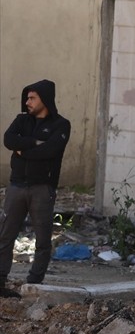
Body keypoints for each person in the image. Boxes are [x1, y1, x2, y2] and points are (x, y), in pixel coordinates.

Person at [1, 80, 72, 296]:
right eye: (27, 98)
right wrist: (35, 143)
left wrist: (22, 149)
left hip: (42, 189)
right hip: (16, 186)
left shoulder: (61, 125)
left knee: (42, 239)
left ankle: (34, 283)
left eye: (32, 98)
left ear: (45, 99)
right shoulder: (22, 120)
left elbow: (51, 150)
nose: (27, 102)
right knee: (5, 235)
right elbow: (8, 139)